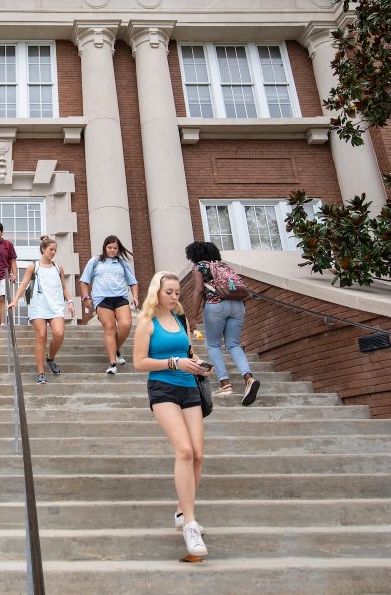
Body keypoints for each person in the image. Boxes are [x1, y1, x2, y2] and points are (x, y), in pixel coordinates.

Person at [132, 270, 209, 558]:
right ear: (157, 292)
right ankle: (190, 523)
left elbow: (189, 350)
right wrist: (174, 363)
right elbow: (140, 362)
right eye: (169, 292)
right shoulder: (146, 323)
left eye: (177, 292)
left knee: (198, 454)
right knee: (185, 451)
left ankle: (181, 509)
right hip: (163, 388)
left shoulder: (181, 320)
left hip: (190, 388)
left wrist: (197, 362)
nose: (175, 296)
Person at [186, 240, 259, 406]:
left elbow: (198, 290)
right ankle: (248, 378)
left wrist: (193, 317)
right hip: (237, 305)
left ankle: (225, 384)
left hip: (216, 305)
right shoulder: (224, 266)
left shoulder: (199, 267)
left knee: (213, 345)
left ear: (194, 254)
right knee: (233, 344)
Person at [8, 235, 74, 383]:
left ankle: (50, 359)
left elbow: (64, 287)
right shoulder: (34, 266)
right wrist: (15, 300)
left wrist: (69, 301)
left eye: (55, 250)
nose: (53, 252)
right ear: (43, 250)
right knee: (41, 335)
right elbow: (23, 284)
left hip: (55, 306)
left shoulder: (58, 267)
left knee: (59, 334)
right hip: (38, 306)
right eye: (51, 249)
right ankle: (40, 373)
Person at [79, 235, 139, 374]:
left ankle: (115, 348)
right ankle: (112, 364)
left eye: (115, 248)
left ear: (118, 249)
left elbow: (133, 282)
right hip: (102, 298)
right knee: (110, 327)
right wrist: (86, 297)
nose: (112, 250)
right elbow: (84, 281)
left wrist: (135, 296)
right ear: (105, 247)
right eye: (110, 247)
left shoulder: (122, 263)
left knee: (126, 325)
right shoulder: (95, 261)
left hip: (120, 297)